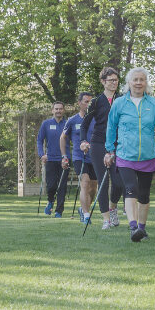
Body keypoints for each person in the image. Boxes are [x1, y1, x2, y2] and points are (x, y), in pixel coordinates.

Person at [105, 67, 155, 242]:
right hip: (125, 154)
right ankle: (133, 227)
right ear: (129, 82)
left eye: (142, 79)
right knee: (130, 189)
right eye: (135, 79)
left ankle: (142, 228)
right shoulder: (119, 103)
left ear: (146, 83)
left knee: (144, 194)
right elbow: (111, 127)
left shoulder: (153, 103)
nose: (138, 82)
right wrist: (109, 150)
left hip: (147, 155)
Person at [80, 67, 124, 230]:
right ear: (103, 81)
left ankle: (113, 207)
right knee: (103, 182)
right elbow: (84, 124)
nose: (114, 83)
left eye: (116, 80)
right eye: (111, 80)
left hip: (118, 145)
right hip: (98, 144)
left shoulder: (122, 99)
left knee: (119, 182)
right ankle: (106, 219)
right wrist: (83, 141)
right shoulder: (96, 101)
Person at [60, 92, 98, 223]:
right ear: (79, 103)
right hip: (78, 157)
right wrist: (64, 156)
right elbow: (63, 137)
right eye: (86, 101)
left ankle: (83, 208)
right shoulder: (72, 120)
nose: (88, 104)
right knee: (85, 182)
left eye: (90, 102)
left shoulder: (96, 119)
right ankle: (86, 215)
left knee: (93, 188)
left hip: (94, 157)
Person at [37, 101, 71, 217]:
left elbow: (75, 139)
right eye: (56, 109)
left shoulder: (67, 124)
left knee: (62, 186)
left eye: (60, 109)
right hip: (50, 159)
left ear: (63, 110)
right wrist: (42, 154)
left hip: (64, 159)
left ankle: (58, 211)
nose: (58, 111)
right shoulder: (46, 124)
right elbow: (39, 140)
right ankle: (50, 201)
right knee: (51, 185)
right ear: (52, 110)